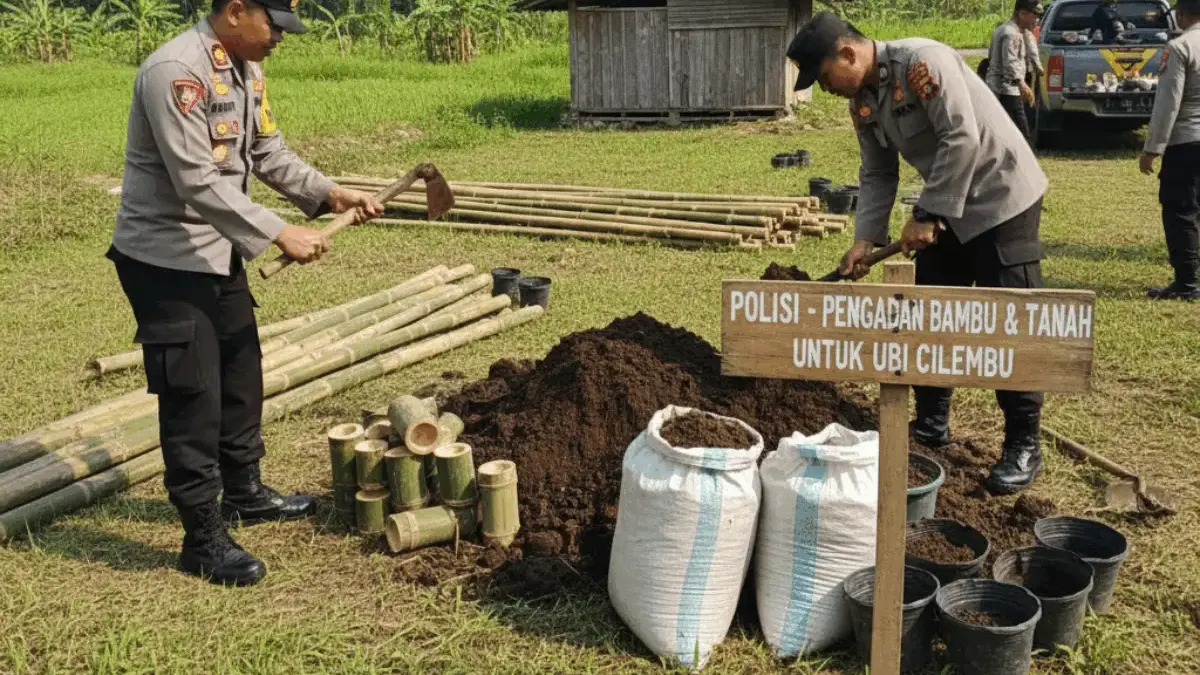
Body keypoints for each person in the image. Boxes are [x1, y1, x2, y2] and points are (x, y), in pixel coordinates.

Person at [107, 0, 385, 586]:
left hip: (219, 248)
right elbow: (196, 179)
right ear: (236, 11)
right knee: (193, 392)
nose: (280, 37)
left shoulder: (245, 69)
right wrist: (280, 232)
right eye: (273, 24)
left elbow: (266, 152)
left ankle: (244, 492)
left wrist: (330, 193)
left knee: (240, 370)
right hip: (166, 258)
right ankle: (202, 535)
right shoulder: (176, 72)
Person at [785, 13, 1050, 494]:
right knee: (927, 311)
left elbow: (962, 137)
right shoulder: (863, 102)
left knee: (1010, 321)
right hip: (947, 204)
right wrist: (865, 239)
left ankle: (1023, 444)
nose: (825, 89)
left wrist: (927, 214)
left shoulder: (922, 63)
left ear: (847, 53)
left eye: (823, 77)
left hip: (1001, 196)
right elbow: (877, 172)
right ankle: (931, 423)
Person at [1139, 0, 1200, 300]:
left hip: (1187, 140)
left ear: (1182, 14)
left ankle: (1187, 282)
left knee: (1181, 211)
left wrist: (1152, 148)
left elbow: (1168, 103)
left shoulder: (1179, 47)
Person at [987, 0, 1045, 140]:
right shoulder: (1011, 34)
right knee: (1021, 130)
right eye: (1033, 16)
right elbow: (1010, 61)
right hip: (1007, 89)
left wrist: (1037, 66)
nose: (1036, 20)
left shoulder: (1008, 29)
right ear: (1022, 14)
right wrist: (1021, 83)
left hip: (999, 87)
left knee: (1003, 127)